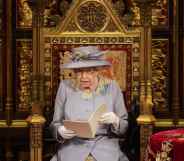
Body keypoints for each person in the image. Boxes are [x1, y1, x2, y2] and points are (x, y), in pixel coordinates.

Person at [50, 46, 129, 161]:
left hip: (105, 146)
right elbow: (54, 124)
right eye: (79, 71)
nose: (83, 77)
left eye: (89, 71)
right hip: (73, 147)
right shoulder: (65, 87)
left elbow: (124, 127)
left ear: (98, 70)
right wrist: (59, 130)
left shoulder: (112, 87)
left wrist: (116, 121)